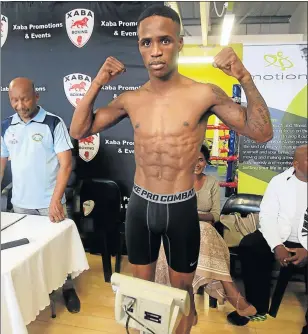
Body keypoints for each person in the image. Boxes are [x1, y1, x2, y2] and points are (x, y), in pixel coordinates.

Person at [70, 5, 273, 333]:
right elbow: (79, 130)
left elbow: (262, 132)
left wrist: (244, 78)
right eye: (146, 43)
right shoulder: (130, 99)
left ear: (180, 43)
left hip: (180, 207)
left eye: (164, 41)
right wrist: (97, 82)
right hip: (140, 205)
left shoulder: (203, 93)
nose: (155, 51)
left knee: (181, 296)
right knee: (141, 293)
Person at [0, 77, 81, 314]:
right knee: (25, 255)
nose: (20, 105)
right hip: (20, 205)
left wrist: (56, 200)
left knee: (59, 252)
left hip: (49, 204)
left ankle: (67, 288)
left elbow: (65, 165)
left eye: (25, 98)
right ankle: (33, 293)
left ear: (36, 96)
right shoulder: (6, 126)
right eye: (14, 100)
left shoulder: (53, 123)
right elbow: (1, 164)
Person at [155, 144, 257, 323]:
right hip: (177, 231)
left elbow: (216, 215)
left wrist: (192, 215)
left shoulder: (211, 183)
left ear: (206, 162)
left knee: (204, 231)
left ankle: (190, 304)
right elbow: (169, 211)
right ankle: (232, 293)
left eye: (200, 159)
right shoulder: (176, 181)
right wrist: (197, 217)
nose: (196, 163)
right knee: (198, 231)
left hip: (205, 231)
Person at [228, 144, 308, 326]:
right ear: (295, 164)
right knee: (250, 245)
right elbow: (267, 216)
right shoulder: (279, 182)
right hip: (279, 235)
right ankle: (257, 306)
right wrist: (277, 245)